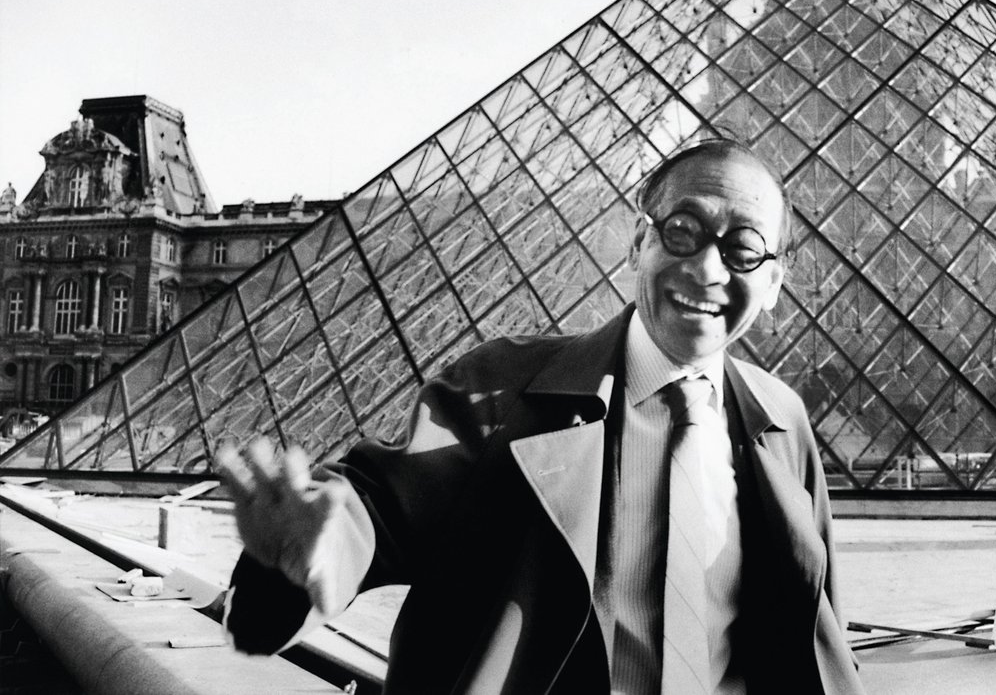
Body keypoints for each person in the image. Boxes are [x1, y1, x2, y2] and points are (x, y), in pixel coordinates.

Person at [218, 139, 864, 694]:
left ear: (775, 282)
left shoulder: (783, 421)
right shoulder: (500, 390)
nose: (706, 267)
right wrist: (314, 550)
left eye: (744, 248)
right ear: (639, 241)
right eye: (683, 231)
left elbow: (816, 630)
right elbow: (376, 504)